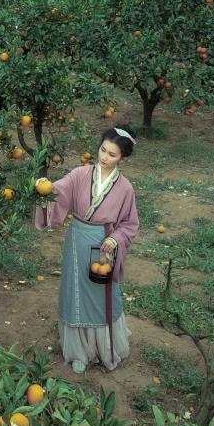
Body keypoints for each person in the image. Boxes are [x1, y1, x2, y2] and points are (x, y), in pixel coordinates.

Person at [33, 125, 140, 374]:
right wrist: (44, 186)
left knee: (100, 295)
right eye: (103, 150)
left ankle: (103, 350)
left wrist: (116, 239)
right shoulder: (80, 174)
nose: (104, 157)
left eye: (112, 155)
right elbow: (59, 189)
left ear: (122, 158)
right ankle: (78, 351)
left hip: (103, 244)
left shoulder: (125, 188)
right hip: (77, 241)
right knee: (75, 292)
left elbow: (130, 223)